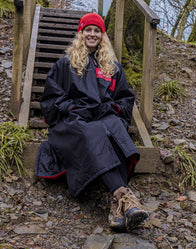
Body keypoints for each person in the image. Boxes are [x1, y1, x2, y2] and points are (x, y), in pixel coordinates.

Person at [35, 13, 148, 233]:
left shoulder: (113, 68)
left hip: (103, 119)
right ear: (81, 33)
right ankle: (125, 199)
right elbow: (51, 99)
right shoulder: (64, 65)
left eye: (97, 31)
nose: (92, 34)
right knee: (92, 132)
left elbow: (125, 99)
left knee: (115, 128)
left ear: (102, 36)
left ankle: (119, 208)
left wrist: (112, 109)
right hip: (73, 122)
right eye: (88, 30)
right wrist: (73, 109)